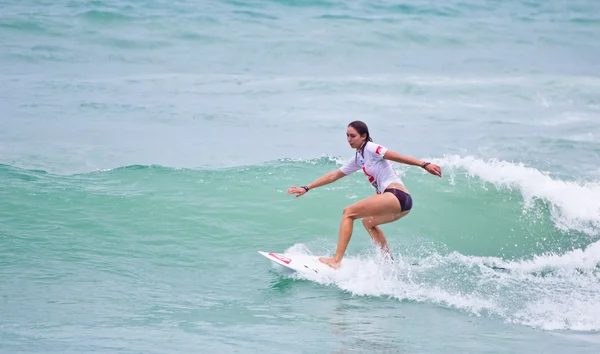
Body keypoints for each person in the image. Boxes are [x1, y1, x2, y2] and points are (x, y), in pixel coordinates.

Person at [287, 121, 442, 269]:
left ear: (364, 136)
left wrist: (424, 164)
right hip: (404, 203)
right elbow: (334, 175)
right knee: (368, 223)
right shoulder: (359, 157)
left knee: (348, 213)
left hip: (396, 195)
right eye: (347, 135)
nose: (349, 139)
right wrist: (307, 187)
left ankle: (336, 261)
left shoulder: (371, 148)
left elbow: (396, 156)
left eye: (352, 136)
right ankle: (388, 263)